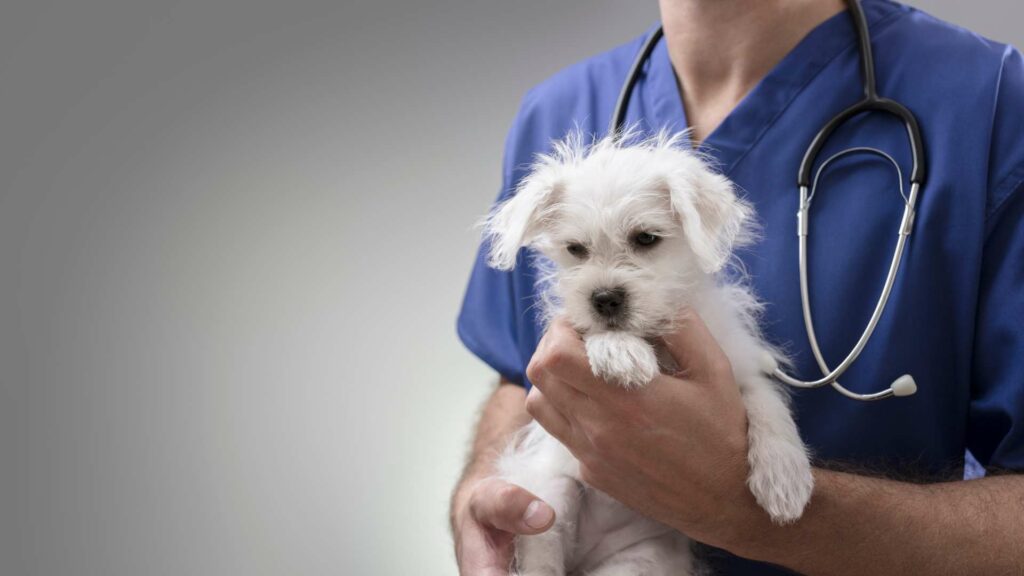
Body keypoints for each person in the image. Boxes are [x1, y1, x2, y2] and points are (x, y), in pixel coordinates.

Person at [450, 0, 1024, 574]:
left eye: (645, 241)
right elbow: (518, 372)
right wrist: (486, 497)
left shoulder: (991, 99)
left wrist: (738, 509)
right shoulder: (555, 112)